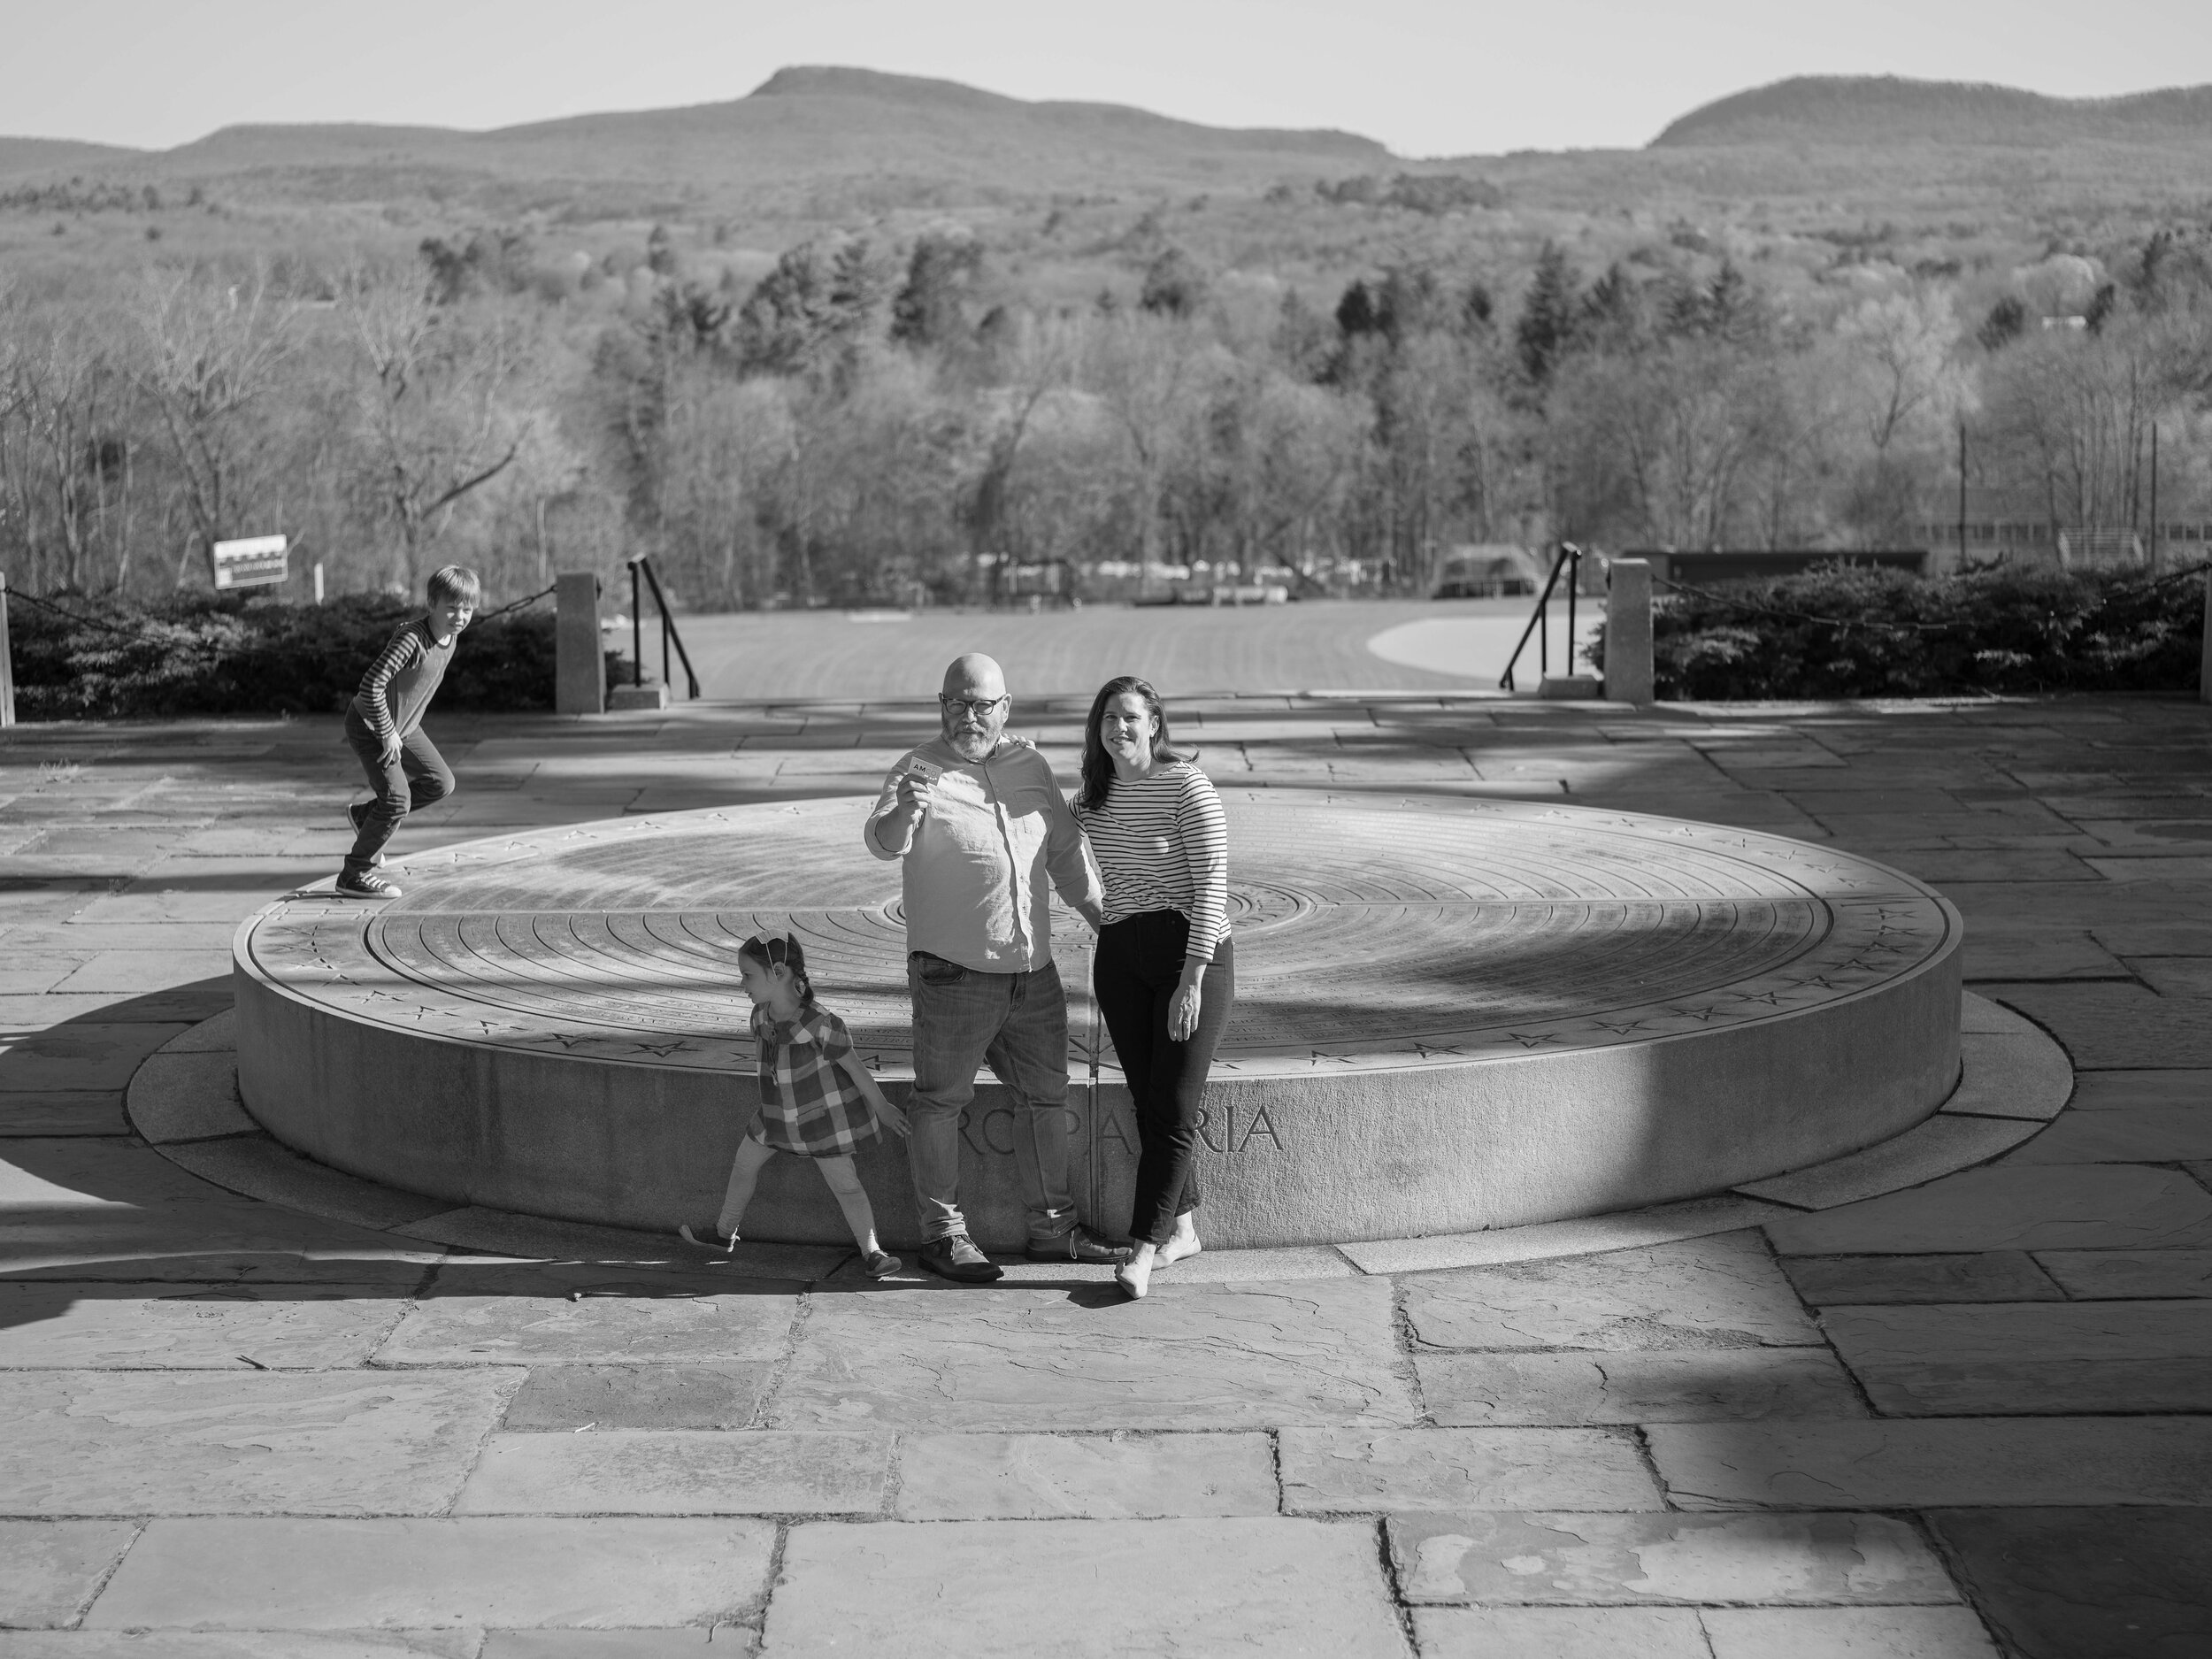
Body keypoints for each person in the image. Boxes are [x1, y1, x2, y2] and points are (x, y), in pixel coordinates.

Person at [866, 653, 1130, 1284]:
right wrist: (906, 807)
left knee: (1045, 1097)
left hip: (1032, 976)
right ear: (941, 705)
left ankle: (1053, 1229)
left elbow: (1067, 861)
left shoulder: (1031, 766)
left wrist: (1116, 934)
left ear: (1005, 709)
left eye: (983, 704)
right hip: (952, 977)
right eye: (957, 702)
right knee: (939, 1104)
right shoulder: (916, 768)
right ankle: (944, 1235)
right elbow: (883, 840)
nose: (969, 716)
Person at [1073, 675, 1233, 1301]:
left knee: (1173, 1104)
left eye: (1131, 717)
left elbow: (1212, 885)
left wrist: (1191, 980)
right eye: (1108, 717)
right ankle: (1184, 1229)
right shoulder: (1093, 796)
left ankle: (1142, 1247)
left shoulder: (1188, 786)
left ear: (1156, 725)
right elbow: (1049, 835)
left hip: (1193, 957)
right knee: (1148, 1099)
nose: (1119, 727)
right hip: (1120, 956)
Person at [680, 932, 907, 1277]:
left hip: (821, 1119)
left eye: (748, 974)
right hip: (775, 1116)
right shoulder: (760, 1017)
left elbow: (855, 1069)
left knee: (847, 1186)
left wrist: (882, 1107)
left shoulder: (821, 1023)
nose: (742, 984)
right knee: (744, 1165)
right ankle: (724, 1233)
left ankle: (873, 1251)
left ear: (779, 971)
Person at [336, 565, 478, 899]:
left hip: (405, 727)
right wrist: (386, 732)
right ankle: (354, 873)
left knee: (441, 782)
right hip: (371, 724)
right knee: (398, 799)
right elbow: (371, 685)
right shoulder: (412, 639)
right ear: (432, 604)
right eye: (452, 607)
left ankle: (366, 816)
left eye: (467, 609)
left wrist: (399, 729)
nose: (460, 616)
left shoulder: (450, 636)